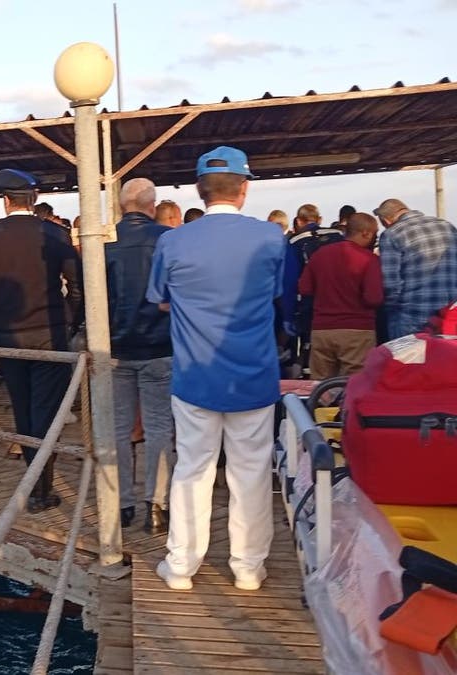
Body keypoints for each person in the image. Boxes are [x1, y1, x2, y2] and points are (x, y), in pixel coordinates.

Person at [147, 146, 286, 592]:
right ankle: (248, 567)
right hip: (254, 377)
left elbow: (162, 300)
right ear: (244, 189)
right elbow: (278, 295)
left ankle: (181, 566)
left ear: (199, 191)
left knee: (192, 469)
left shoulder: (171, 240)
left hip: (194, 377)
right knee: (251, 471)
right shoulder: (270, 238)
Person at [0, 169, 82, 511]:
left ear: (5, 201)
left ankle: (36, 485)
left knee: (24, 412)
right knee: (47, 413)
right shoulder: (56, 234)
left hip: (9, 335)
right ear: (35, 199)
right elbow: (77, 286)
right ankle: (43, 488)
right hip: (50, 333)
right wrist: (71, 322)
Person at [106, 178, 174, 534]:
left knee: (118, 429)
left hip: (115, 346)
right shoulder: (167, 238)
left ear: (121, 207)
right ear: (153, 205)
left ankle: (121, 505)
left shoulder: (104, 241)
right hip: (160, 345)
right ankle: (157, 507)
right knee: (160, 427)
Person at [297, 213, 384, 379]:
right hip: (357, 331)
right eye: (375, 233)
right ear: (365, 233)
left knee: (321, 388)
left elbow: (304, 288)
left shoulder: (320, 255)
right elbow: (373, 298)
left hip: (322, 330)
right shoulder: (369, 260)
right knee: (355, 385)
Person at [376, 198, 457, 339]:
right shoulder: (447, 226)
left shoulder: (391, 234)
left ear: (386, 221)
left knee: (408, 360)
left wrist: (391, 311)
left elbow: (390, 284)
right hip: (450, 315)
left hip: (412, 316)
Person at [281, 204, 344, 376]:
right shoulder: (338, 236)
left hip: (310, 306)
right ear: (320, 219)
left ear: (299, 221)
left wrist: (288, 315)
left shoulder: (294, 242)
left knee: (313, 354)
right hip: (342, 304)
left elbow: (290, 282)